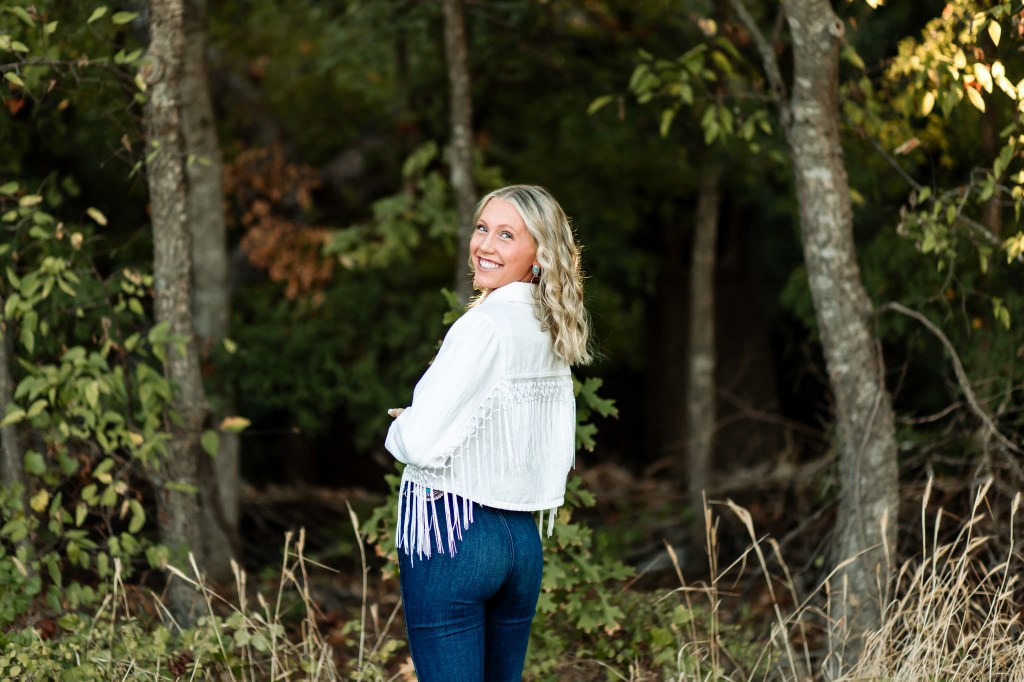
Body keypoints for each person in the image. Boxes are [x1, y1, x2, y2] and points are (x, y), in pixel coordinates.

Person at [384, 184, 592, 681]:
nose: (485, 245)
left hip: (452, 533)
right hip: (520, 541)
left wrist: (404, 422)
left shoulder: (485, 325)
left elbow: (418, 442)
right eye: (483, 228)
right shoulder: (550, 326)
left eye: (506, 235)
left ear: (539, 254)